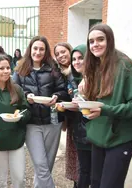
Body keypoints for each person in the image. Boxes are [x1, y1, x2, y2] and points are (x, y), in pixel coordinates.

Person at [82, 23, 132, 188]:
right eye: (91, 41)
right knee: (95, 184)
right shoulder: (94, 66)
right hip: (98, 137)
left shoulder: (124, 66)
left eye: (100, 39)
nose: (95, 44)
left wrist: (105, 110)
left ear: (110, 40)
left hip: (120, 138)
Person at [13, 36, 69, 188]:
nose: (38, 52)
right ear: (30, 49)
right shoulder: (19, 70)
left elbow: (63, 91)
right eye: (35, 48)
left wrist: (56, 96)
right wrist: (26, 97)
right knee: (40, 163)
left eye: (41, 49)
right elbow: (13, 93)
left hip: (53, 121)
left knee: (47, 165)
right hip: (31, 122)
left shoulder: (53, 69)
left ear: (46, 52)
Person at [0, 54, 31, 188]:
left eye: (8, 68)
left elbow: (26, 110)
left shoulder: (17, 89)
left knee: (20, 179)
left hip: (16, 139)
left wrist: (20, 116)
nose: (6, 71)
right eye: (1, 68)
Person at [58, 44, 92, 188]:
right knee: (82, 170)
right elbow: (71, 100)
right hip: (78, 129)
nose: (76, 61)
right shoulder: (70, 76)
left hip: (95, 131)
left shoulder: (96, 78)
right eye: (74, 59)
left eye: (80, 58)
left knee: (92, 172)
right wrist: (62, 108)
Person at [54, 42, 79, 187]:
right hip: (72, 119)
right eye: (57, 54)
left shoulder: (78, 69)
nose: (61, 56)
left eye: (63, 51)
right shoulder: (61, 73)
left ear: (70, 50)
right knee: (74, 159)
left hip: (86, 119)